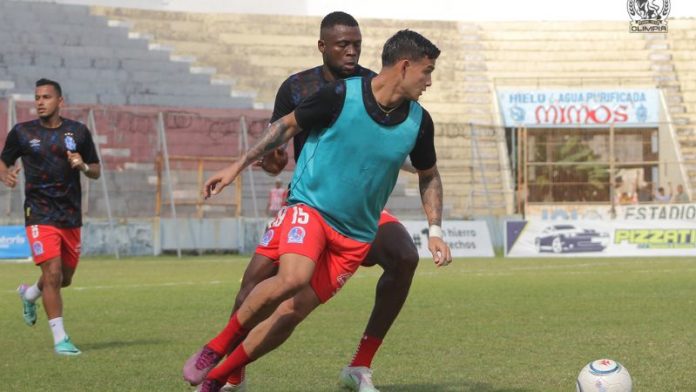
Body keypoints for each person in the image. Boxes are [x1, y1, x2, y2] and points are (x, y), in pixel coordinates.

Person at [184, 29, 451, 392]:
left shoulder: (419, 122)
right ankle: (215, 350)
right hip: (310, 208)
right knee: (287, 278)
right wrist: (236, 166)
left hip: (356, 232)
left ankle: (218, 378)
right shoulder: (339, 94)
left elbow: (428, 174)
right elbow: (286, 126)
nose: (430, 81)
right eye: (427, 71)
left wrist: (435, 230)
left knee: (292, 312)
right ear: (405, 66)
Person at [0, 78, 101, 355]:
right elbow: (3, 159)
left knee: (63, 279)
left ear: (60, 101)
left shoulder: (78, 132)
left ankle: (30, 293)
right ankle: (61, 339)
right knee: (53, 274)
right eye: (37, 97)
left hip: (70, 215)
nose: (40, 102)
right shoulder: (22, 132)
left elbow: (96, 169)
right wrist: (4, 173)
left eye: (46, 97)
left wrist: (82, 165)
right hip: (39, 213)